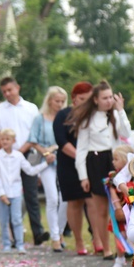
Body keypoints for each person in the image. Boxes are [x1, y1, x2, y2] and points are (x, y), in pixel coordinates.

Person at [69, 81, 131, 259]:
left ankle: (125, 246)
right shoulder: (87, 119)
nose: (108, 101)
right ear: (95, 99)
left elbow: (126, 133)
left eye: (111, 97)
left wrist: (120, 110)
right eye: (104, 98)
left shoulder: (115, 115)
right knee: (101, 209)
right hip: (95, 162)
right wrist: (83, 176)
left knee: (122, 206)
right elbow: (81, 149)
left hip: (115, 161)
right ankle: (106, 248)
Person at [0, 77, 46, 245]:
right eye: (4, 91)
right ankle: (12, 236)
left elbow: (35, 133)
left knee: (31, 195)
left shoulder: (31, 108)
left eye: (10, 90)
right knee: (10, 194)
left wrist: (20, 151)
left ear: (17, 88)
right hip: (6, 156)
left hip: (26, 153)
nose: (7, 94)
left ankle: (38, 233)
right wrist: (9, 151)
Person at [0, 128, 54, 253]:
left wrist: (45, 164)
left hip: (15, 192)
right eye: (3, 139)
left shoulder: (18, 156)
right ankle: (6, 244)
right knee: (3, 220)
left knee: (17, 219)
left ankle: (20, 244)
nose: (5, 142)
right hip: (2, 192)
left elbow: (30, 170)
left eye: (7, 139)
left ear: (13, 141)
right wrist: (1, 193)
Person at [54, 82, 94, 255]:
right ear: (74, 98)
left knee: (92, 202)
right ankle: (78, 241)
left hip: (91, 164)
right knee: (74, 202)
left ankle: (98, 240)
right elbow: (61, 141)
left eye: (89, 100)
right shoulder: (63, 115)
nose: (86, 103)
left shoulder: (94, 115)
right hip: (68, 164)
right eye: (82, 99)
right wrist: (80, 156)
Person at [28, 86, 68, 252]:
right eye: (56, 100)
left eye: (62, 101)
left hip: (63, 161)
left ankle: (59, 232)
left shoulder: (65, 117)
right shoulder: (40, 118)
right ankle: (55, 237)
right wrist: (46, 153)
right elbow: (33, 140)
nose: (59, 104)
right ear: (49, 100)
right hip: (46, 162)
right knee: (52, 198)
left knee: (65, 199)